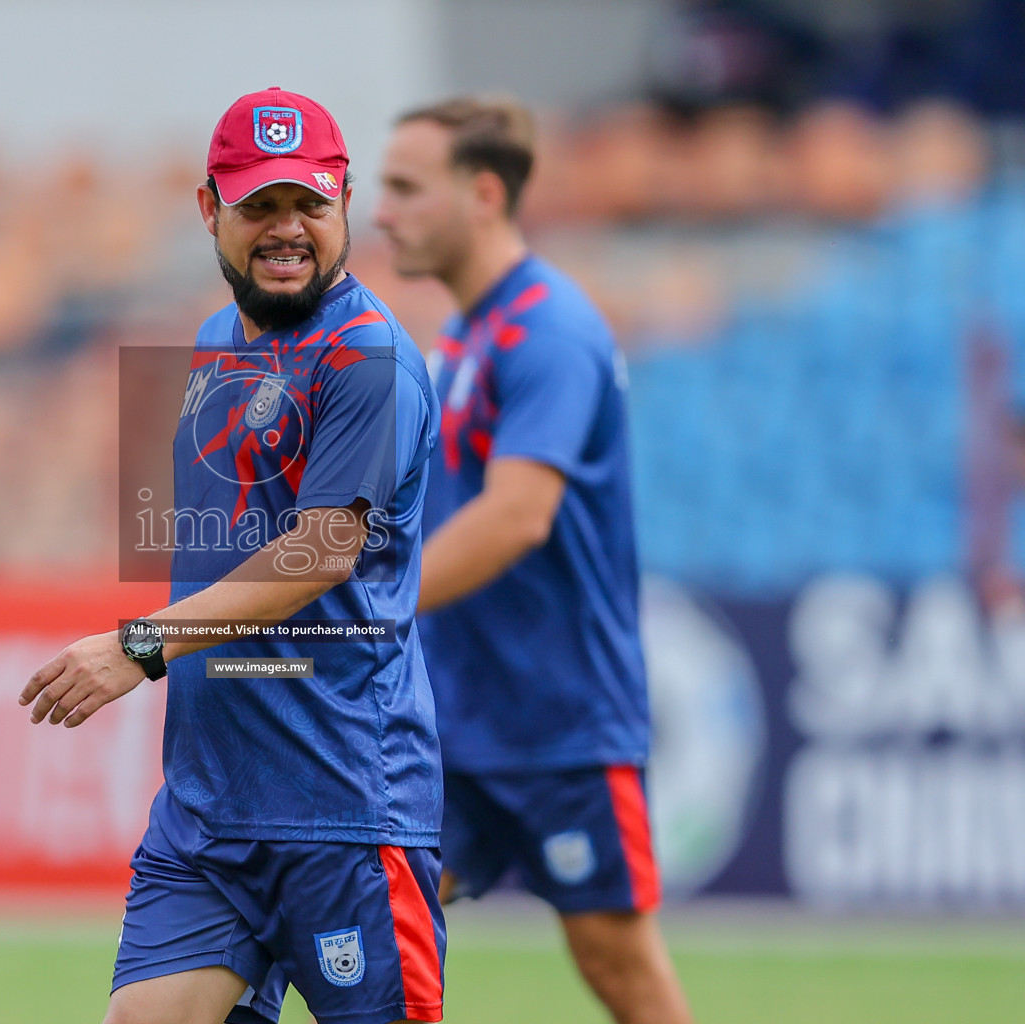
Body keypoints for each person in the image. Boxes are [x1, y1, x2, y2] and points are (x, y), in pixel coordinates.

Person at [20, 87, 444, 1024]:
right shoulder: (214, 344)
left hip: (347, 811)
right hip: (210, 812)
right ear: (210, 209)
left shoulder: (369, 360)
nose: (286, 229)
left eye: (309, 205)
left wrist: (138, 646)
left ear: (344, 205)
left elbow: (321, 552)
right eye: (259, 206)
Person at [373, 96, 695, 1024]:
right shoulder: (461, 339)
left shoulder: (549, 330)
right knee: (356, 923)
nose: (382, 211)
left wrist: (364, 610)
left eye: (404, 187)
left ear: (481, 193)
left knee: (618, 964)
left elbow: (517, 517)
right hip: (451, 718)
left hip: (560, 719)